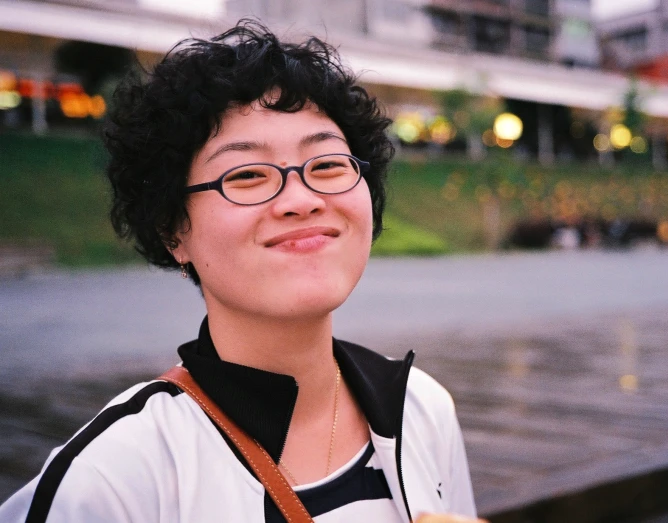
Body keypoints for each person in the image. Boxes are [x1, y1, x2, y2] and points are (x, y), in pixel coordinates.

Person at [0, 20, 477, 522]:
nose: (301, 199)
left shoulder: (422, 410)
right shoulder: (115, 478)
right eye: (246, 175)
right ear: (172, 230)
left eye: (329, 165)